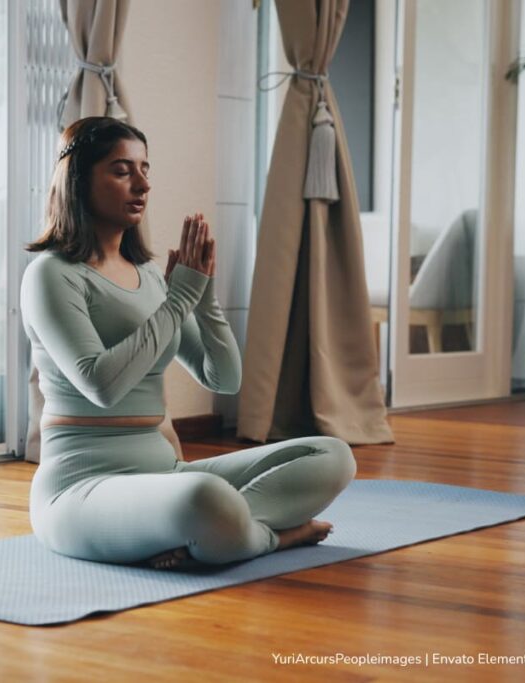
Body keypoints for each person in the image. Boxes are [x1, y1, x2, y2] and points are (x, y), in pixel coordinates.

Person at [21, 116, 356, 570]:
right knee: (205, 498)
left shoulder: (150, 278)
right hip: (80, 490)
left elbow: (225, 378)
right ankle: (269, 537)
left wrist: (204, 298)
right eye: (122, 171)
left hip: (165, 476)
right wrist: (180, 298)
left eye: (145, 170)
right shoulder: (51, 275)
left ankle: (217, 532)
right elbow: (101, 384)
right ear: (78, 181)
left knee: (332, 456)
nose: (142, 184)